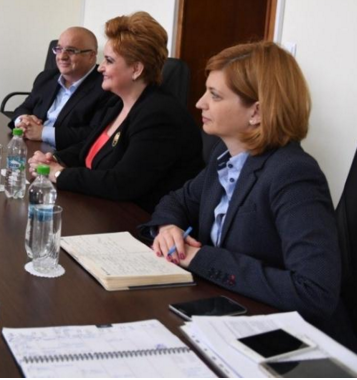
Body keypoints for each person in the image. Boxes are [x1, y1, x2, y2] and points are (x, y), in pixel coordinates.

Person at [147, 42, 356, 349]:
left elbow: (314, 291)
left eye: (215, 95)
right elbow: (176, 201)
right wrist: (169, 228)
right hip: (230, 314)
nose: (200, 103)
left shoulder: (293, 174)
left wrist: (199, 257)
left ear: (256, 111)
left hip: (292, 344)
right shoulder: (225, 156)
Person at [29, 12, 203, 212]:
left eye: (109, 61)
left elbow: (123, 183)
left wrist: (59, 174)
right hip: (101, 208)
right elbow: (89, 146)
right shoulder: (120, 103)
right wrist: (55, 159)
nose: (100, 68)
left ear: (136, 69)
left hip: (136, 219)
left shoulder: (160, 115)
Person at [10, 26, 114, 149]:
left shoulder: (106, 86)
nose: (62, 56)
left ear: (91, 56)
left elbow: (95, 133)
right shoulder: (46, 77)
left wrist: (43, 133)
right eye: (59, 49)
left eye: (71, 51)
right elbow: (24, 107)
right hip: (31, 147)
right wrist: (23, 120)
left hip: (65, 154)